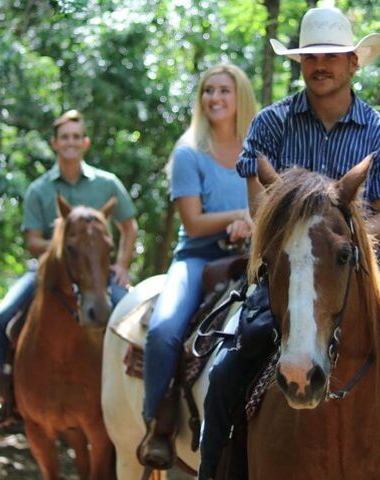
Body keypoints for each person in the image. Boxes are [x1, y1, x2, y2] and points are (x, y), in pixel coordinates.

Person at [198, 7, 380, 479]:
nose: (320, 65)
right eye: (311, 57)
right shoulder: (269, 125)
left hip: (363, 268)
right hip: (287, 270)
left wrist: (337, 241)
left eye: (332, 55)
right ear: (300, 64)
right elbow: (259, 208)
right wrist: (303, 239)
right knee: (228, 369)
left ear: (353, 63)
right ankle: (214, 471)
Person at [0, 109, 138, 424]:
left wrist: (121, 264)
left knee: (135, 323)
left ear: (85, 142)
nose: (71, 142)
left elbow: (129, 227)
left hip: (97, 273)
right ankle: (4, 391)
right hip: (48, 273)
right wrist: (65, 250)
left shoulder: (107, 183)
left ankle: (136, 398)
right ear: (54, 143)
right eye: (65, 137)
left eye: (76, 137)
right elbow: (32, 241)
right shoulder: (40, 189)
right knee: (2, 319)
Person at [136, 64, 257, 470]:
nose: (215, 98)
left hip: (250, 257)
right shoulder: (189, 151)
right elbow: (192, 222)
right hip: (200, 257)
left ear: (240, 96)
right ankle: (159, 423)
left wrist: (252, 223)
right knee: (165, 330)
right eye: (208, 91)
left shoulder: (257, 147)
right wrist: (238, 215)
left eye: (224, 90)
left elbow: (269, 203)